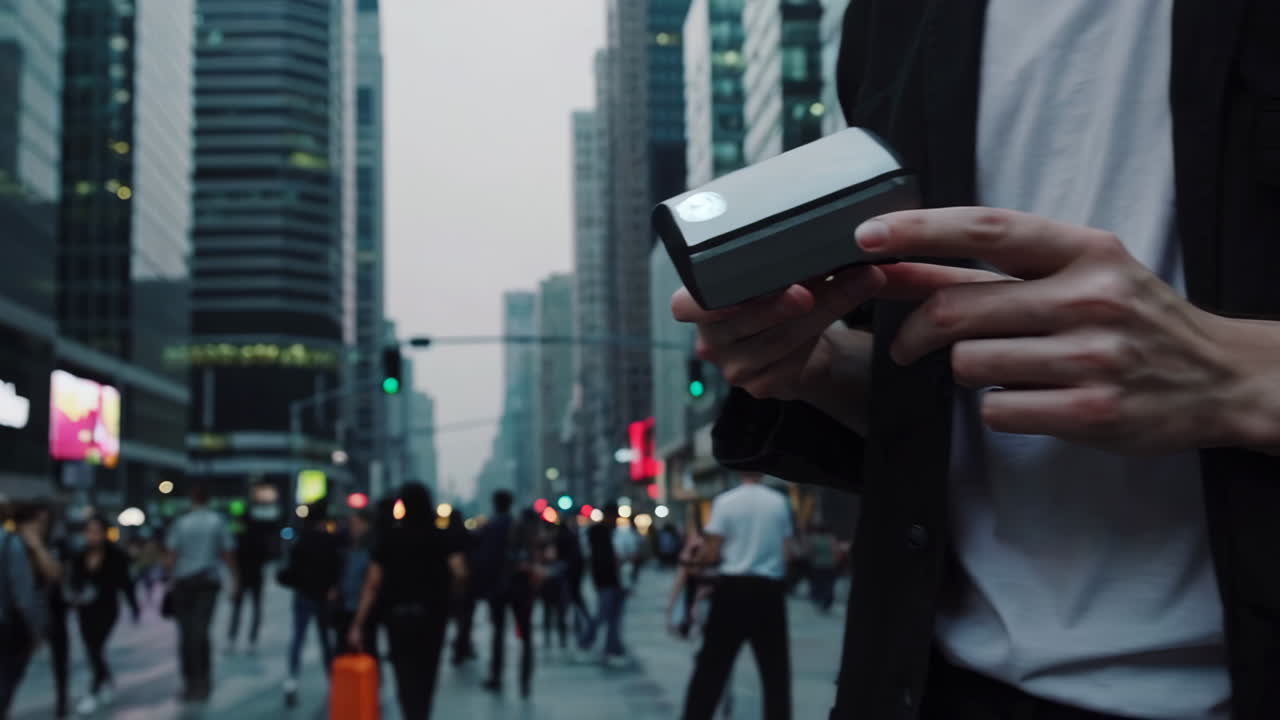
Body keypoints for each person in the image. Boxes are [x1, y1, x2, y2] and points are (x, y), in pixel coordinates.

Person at [672, 1, 1280, 718]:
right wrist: (826, 368)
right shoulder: (889, 19)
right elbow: (944, 413)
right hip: (932, 682)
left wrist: (1242, 375)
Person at [680, 473, 793, 720]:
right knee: (775, 672)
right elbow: (787, 552)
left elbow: (712, 552)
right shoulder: (778, 502)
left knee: (712, 667)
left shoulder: (726, 502)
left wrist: (692, 561)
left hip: (733, 590)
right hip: (769, 590)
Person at [348, 484, 467, 719]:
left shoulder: (389, 538)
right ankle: (422, 713)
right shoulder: (440, 537)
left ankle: (410, 713)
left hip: (397, 616)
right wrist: (451, 599)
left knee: (404, 674)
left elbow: (372, 583)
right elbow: (460, 572)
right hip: (433, 616)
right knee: (427, 673)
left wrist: (358, 623)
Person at [165, 484, 235, 702]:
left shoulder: (181, 523)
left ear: (191, 499)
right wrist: (236, 579)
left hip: (184, 584)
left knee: (185, 635)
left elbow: (172, 555)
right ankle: (203, 681)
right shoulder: (217, 522)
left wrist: (170, 579)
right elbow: (227, 552)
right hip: (207, 582)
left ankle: (189, 682)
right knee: (201, 632)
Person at [67, 515, 139, 715]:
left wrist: (134, 607)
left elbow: (127, 583)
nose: (92, 536)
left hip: (107, 608)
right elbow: (74, 580)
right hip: (85, 608)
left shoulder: (116, 555)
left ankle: (94, 689)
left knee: (95, 647)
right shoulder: (80, 555)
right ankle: (105, 679)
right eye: (89, 531)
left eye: (96, 531)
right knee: (92, 648)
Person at [280, 504, 341, 706]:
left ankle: (292, 681)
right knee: (326, 640)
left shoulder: (301, 541)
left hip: (303, 594)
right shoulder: (330, 541)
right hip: (324, 596)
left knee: (298, 638)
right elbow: (337, 567)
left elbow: (292, 569)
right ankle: (332, 682)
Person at [0, 501, 55, 718]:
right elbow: (24, 594)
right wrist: (37, 629)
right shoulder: (11, 543)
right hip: (8, 624)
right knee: (7, 679)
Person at [577, 503, 625, 665]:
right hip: (606, 579)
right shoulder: (599, 533)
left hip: (609, 579)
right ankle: (587, 640)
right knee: (604, 614)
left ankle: (612, 646)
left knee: (613, 616)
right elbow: (601, 559)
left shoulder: (603, 532)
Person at [333, 510, 378, 658]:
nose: (352, 527)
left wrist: (357, 623)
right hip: (347, 608)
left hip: (359, 610)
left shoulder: (370, 550)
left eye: (356, 523)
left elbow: (370, 586)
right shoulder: (352, 547)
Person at [225, 521, 267, 654]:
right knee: (255, 609)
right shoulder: (259, 541)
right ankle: (252, 640)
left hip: (243, 577)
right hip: (255, 577)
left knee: (237, 610)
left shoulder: (239, 540)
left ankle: (232, 639)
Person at [805, 523, 839, 614]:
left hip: (817, 565)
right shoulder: (832, 539)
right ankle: (827, 601)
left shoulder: (814, 539)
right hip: (829, 565)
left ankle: (819, 599)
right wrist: (835, 562)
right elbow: (836, 552)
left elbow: (810, 552)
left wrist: (811, 561)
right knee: (828, 583)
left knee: (818, 582)